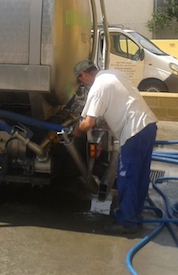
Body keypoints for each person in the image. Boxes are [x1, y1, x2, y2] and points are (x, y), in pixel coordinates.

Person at [72, 59, 158, 234]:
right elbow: (119, 104)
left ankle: (126, 222)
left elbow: (88, 123)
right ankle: (136, 213)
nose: (83, 84)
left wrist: (76, 132)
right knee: (140, 175)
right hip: (148, 125)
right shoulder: (114, 75)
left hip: (134, 131)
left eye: (81, 80)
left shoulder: (97, 88)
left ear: (83, 75)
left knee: (126, 176)